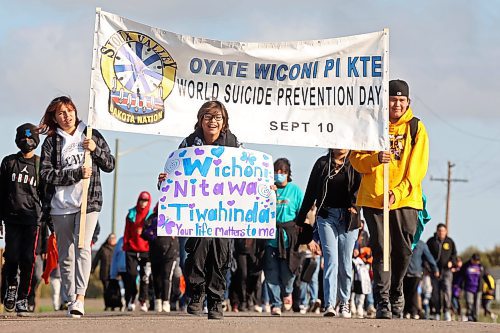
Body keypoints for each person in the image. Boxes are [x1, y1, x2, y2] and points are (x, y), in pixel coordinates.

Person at [350, 79, 430, 319]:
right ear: (386, 101)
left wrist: (399, 191)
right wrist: (375, 159)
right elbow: (356, 160)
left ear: (408, 102)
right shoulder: (371, 126)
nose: (397, 104)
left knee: (404, 251)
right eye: (393, 99)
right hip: (375, 197)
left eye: (401, 100)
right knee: (382, 249)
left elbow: (417, 168)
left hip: (405, 199)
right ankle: (383, 300)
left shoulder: (416, 128)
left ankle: (397, 291)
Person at [158, 100, 240, 320]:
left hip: (224, 212)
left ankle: (216, 300)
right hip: (197, 212)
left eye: (217, 118)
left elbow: (245, 176)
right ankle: (197, 293)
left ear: (224, 122)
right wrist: (165, 180)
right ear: (201, 119)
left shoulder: (233, 144)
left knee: (220, 254)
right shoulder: (188, 144)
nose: (212, 122)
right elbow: (174, 173)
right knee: (197, 253)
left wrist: (261, 186)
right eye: (208, 117)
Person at [39, 96, 115, 317]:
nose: (66, 116)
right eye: (61, 113)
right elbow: (45, 174)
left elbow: (110, 164)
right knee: (66, 254)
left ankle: (80, 298)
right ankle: (70, 297)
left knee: (83, 247)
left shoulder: (90, 133)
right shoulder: (52, 142)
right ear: (54, 117)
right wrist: (74, 174)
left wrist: (95, 149)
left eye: (69, 111)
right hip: (60, 206)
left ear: (75, 111)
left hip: (88, 203)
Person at [297, 149, 361, 317]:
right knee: (331, 260)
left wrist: (356, 207)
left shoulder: (356, 162)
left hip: (349, 218)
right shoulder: (322, 164)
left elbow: (363, 189)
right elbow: (310, 191)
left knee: (346, 263)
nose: (340, 145)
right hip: (326, 217)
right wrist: (301, 218)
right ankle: (330, 304)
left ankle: (345, 302)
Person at [0, 123, 43, 316]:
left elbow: (46, 195)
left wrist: (48, 223)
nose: (26, 142)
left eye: (30, 138)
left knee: (28, 259)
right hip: (11, 218)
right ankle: (11, 286)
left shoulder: (39, 164)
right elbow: (1, 192)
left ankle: (23, 297)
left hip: (32, 220)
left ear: (36, 141)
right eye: (23, 138)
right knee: (11, 257)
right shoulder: (8, 162)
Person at [263, 158, 303, 316]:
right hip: (270, 237)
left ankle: (287, 292)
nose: (279, 174)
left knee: (288, 273)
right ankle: (275, 304)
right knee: (271, 272)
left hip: (289, 238)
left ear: (288, 173)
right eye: (276, 171)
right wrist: (269, 194)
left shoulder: (296, 191)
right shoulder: (268, 189)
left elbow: (302, 214)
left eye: (282, 172)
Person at [141, 202, 179, 313]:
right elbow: (144, 233)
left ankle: (166, 301)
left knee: (167, 277)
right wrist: (152, 234)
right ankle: (157, 300)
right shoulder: (152, 218)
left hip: (170, 253)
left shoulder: (172, 217)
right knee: (156, 277)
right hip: (155, 253)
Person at [123, 191, 153, 312]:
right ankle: (132, 298)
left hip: (146, 251)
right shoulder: (131, 214)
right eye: (141, 200)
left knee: (145, 277)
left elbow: (154, 233)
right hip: (131, 250)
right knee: (132, 275)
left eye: (146, 201)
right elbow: (126, 231)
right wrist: (126, 245)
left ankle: (143, 300)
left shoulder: (152, 215)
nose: (143, 203)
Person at [426, 223, 457, 321]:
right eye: (439, 231)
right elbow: (426, 256)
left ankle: (447, 311)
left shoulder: (450, 241)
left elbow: (454, 255)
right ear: (437, 231)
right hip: (435, 272)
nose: (441, 233)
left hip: (447, 271)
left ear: (446, 231)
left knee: (447, 291)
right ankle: (437, 312)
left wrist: (452, 262)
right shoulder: (431, 241)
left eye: (443, 231)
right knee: (435, 292)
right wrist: (430, 269)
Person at [403, 240, 439, 319]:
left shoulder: (421, 244)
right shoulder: (404, 241)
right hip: (404, 272)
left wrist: (435, 269)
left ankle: (414, 311)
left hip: (416, 273)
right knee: (405, 292)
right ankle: (406, 311)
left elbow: (429, 257)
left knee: (414, 291)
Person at [91, 233, 117, 308]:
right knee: (106, 289)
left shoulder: (118, 248)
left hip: (115, 273)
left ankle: (114, 305)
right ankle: (107, 305)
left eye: (114, 238)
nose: (112, 240)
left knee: (114, 289)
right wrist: (92, 269)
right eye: (111, 238)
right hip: (104, 272)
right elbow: (96, 259)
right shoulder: (103, 248)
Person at [461, 253, 483, 322]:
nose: (476, 262)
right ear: (472, 259)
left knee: (477, 304)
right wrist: (459, 285)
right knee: (469, 302)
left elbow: (485, 276)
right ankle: (470, 316)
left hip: (478, 288)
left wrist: (491, 286)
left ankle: (476, 317)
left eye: (478, 260)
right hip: (468, 287)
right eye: (475, 260)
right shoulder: (466, 266)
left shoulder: (481, 267)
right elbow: (460, 276)